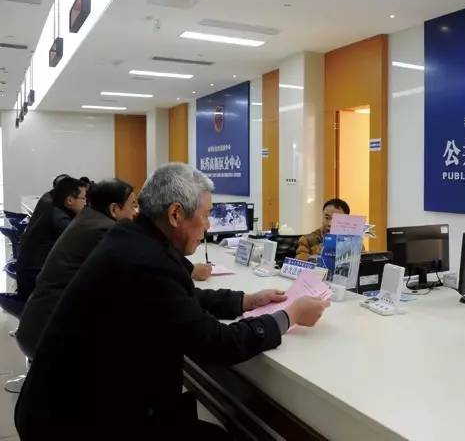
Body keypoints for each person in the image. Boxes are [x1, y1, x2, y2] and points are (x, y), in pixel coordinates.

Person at [15, 163, 330, 440]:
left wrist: (245, 301)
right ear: (176, 214)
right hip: (77, 422)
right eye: (206, 215)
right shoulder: (144, 260)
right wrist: (289, 315)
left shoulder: (135, 240)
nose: (209, 225)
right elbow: (217, 343)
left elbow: (178, 298)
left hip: (77, 405)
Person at [16, 178, 138, 359]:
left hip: (37, 326)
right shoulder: (104, 231)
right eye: (133, 206)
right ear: (114, 209)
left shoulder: (87, 219)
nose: (136, 213)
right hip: (48, 336)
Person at [15, 177, 88, 302]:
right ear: (70, 200)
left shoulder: (55, 210)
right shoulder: (60, 219)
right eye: (83, 198)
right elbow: (81, 245)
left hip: (30, 274)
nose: (86, 203)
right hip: (34, 281)